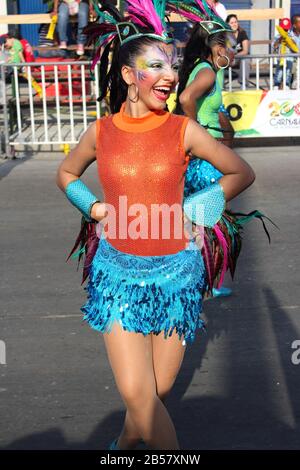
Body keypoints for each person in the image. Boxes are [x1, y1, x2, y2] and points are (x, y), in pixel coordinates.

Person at [56, 0, 255, 450]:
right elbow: (66, 174)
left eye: (172, 65)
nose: (169, 75)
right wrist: (93, 207)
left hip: (178, 278)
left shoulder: (183, 130)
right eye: (155, 66)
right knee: (141, 399)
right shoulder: (100, 132)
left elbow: (240, 173)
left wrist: (197, 207)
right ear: (128, 74)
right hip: (118, 278)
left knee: (150, 401)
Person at [169, 0, 236, 297]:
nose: (229, 48)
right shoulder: (207, 70)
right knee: (210, 217)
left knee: (197, 218)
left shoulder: (201, 67)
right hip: (205, 158)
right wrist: (196, 132)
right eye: (225, 42)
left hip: (202, 153)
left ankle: (196, 278)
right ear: (214, 45)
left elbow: (209, 104)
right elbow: (185, 99)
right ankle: (210, 281)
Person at [226, 14, 250, 84]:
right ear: (227, 24)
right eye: (232, 23)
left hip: (238, 58)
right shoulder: (225, 35)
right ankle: (221, 88)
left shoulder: (242, 33)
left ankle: (243, 84)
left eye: (235, 22)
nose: (234, 24)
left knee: (245, 60)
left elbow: (245, 51)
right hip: (228, 59)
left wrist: (235, 56)